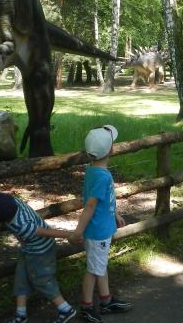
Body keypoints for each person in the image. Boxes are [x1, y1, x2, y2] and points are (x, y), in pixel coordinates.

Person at [0, 187, 77, 323]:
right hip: (28, 249)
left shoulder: (22, 226)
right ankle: (21, 315)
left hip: (40, 252)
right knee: (21, 276)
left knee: (42, 280)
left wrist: (72, 235)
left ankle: (65, 309)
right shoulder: (10, 201)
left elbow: (48, 232)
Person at [71, 125, 133, 322]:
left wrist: (115, 214)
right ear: (110, 149)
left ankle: (106, 300)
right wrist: (78, 231)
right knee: (93, 270)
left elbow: (104, 200)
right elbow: (90, 205)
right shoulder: (101, 176)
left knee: (99, 266)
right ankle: (87, 306)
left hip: (101, 228)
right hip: (98, 232)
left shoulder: (92, 169)